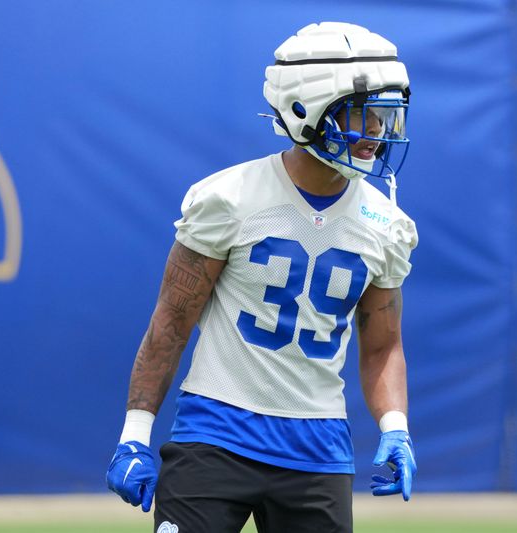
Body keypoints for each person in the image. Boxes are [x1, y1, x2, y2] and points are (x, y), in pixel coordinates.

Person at [107, 21, 418, 533]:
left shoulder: (389, 227)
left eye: (385, 116)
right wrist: (134, 434)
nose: (378, 133)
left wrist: (396, 428)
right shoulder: (229, 199)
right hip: (216, 433)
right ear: (305, 110)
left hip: (319, 447)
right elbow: (170, 323)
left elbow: (383, 345)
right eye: (363, 113)